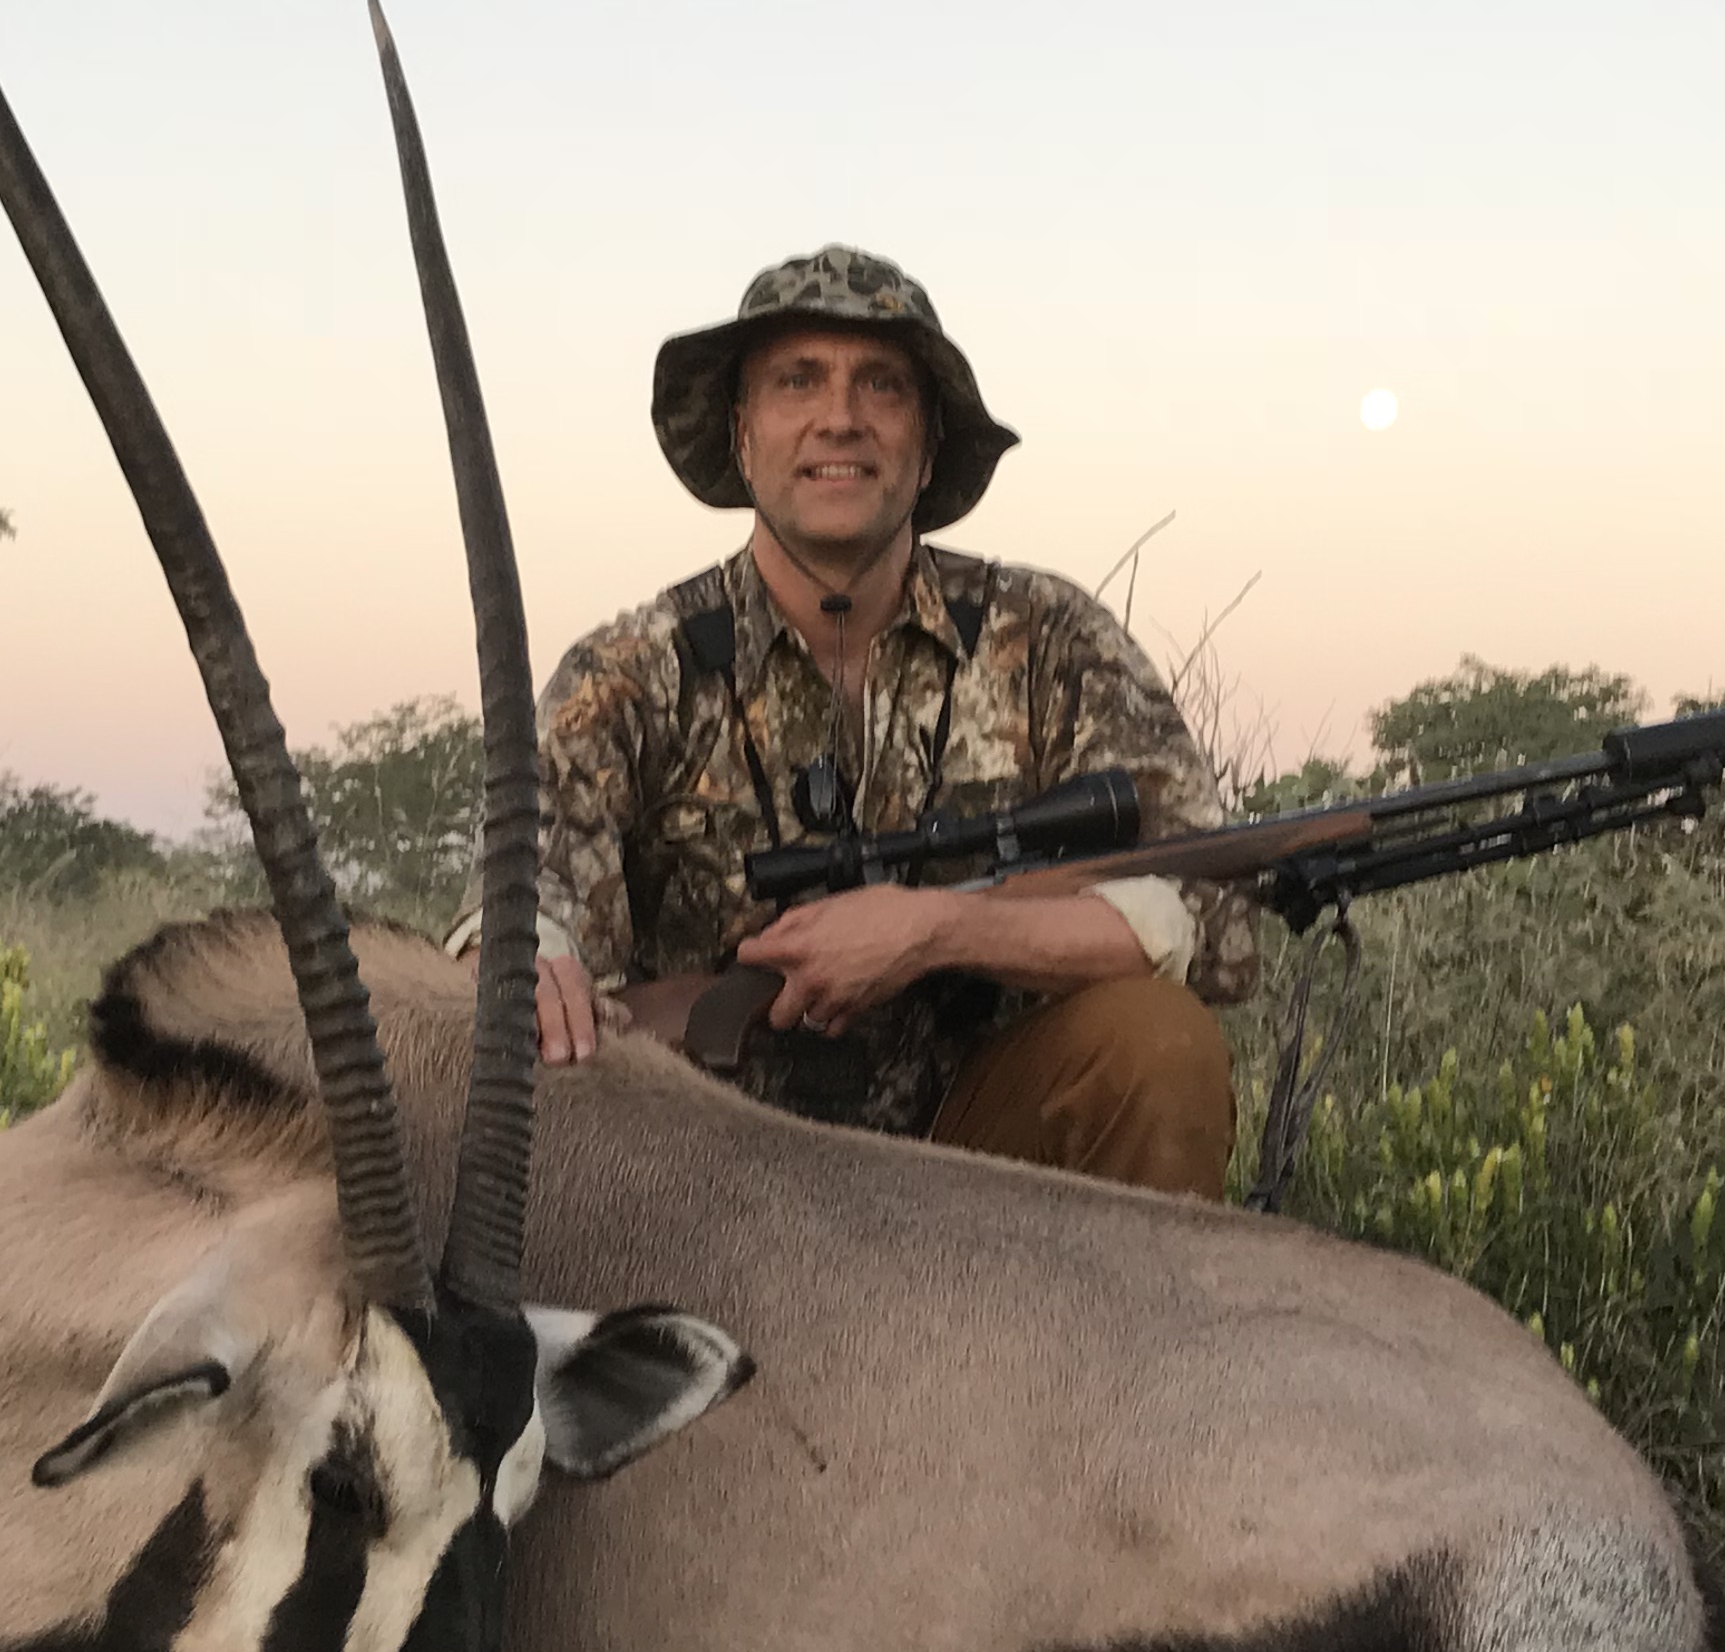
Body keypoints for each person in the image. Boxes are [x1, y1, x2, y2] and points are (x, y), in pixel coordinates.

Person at [511, 245, 1256, 1196]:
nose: (841, 418)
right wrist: (531, 961)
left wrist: (937, 931)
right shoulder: (628, 669)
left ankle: (1111, 1344)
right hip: (696, 1183)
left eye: (883, 387)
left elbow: (1216, 914)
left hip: (984, 1164)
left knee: (1159, 1046)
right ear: (742, 435)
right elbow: (526, 910)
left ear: (929, 441)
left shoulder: (1054, 638)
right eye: (797, 381)